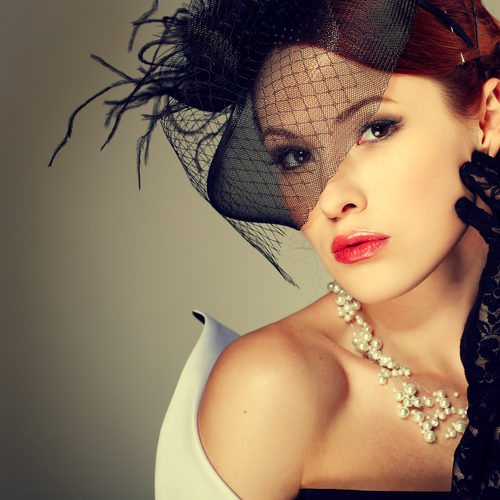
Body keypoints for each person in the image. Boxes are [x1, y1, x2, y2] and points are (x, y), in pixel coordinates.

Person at [50, 0, 500, 498]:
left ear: (487, 120)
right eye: (295, 156)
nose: (330, 198)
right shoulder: (271, 390)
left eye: (374, 129)